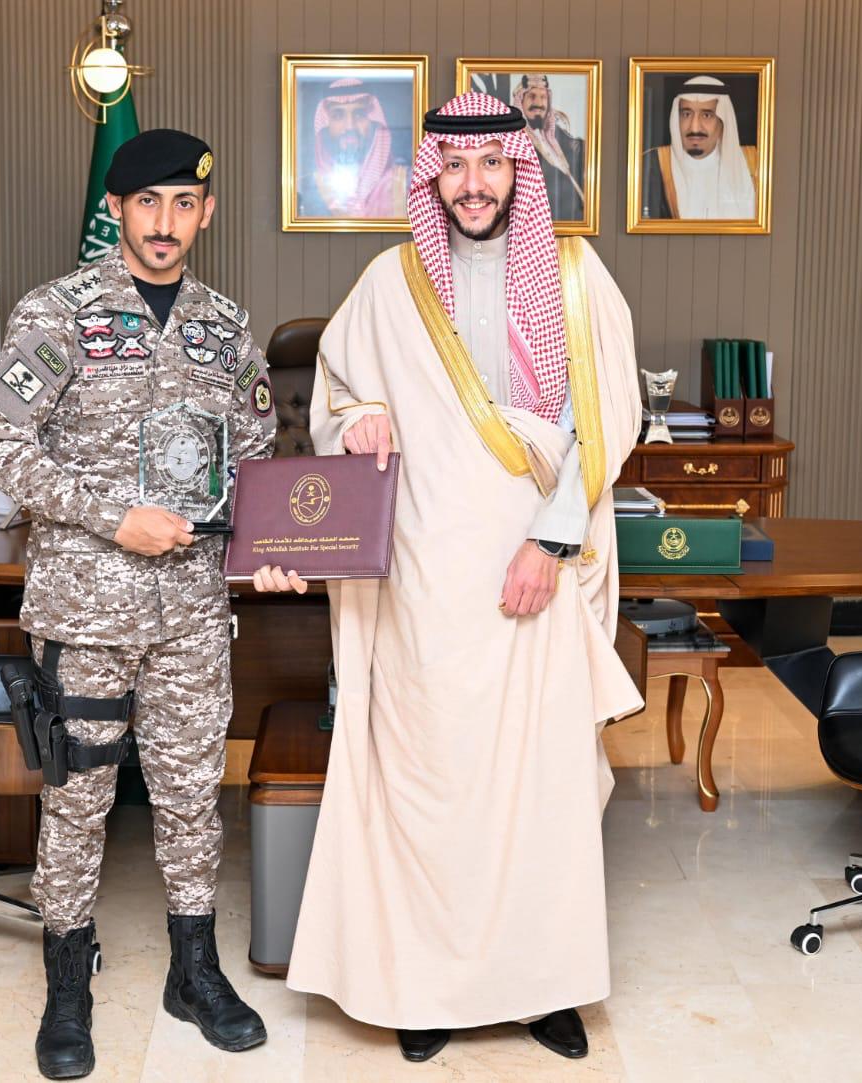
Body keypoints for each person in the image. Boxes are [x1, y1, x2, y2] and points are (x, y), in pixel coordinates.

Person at [254, 93, 643, 1062]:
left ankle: (544, 986)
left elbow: (607, 421)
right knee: (426, 781)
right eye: (455, 169)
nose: (474, 187)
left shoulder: (577, 276)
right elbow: (337, 397)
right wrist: (360, 421)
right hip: (423, 578)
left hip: (536, 568)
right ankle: (423, 989)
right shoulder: (389, 284)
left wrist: (550, 545)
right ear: (431, 178)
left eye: (492, 166)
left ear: (519, 171)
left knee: (540, 787)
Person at [0, 128, 275, 1079]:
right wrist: (114, 517)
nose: (165, 222)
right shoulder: (56, 313)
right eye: (147, 202)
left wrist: (270, 552)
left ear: (206, 212)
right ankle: (67, 987)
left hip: (192, 613)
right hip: (86, 611)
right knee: (78, 801)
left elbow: (257, 461)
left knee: (191, 796)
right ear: (116, 209)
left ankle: (195, 972)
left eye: (184, 203)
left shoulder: (226, 327)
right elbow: (1, 449)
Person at [643, 75, 759, 220]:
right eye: (686, 114)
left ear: (722, 121)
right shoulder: (651, 164)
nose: (695, 127)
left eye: (706, 115)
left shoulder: (754, 163)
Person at [299, 77, 410, 218]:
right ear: (326, 124)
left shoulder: (401, 180)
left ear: (373, 121)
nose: (350, 126)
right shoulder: (311, 185)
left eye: (359, 115)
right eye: (338, 116)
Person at [513, 74, 586, 221]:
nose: (538, 103)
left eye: (543, 97)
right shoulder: (516, 142)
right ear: (521, 101)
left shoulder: (557, 137)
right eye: (532, 96)